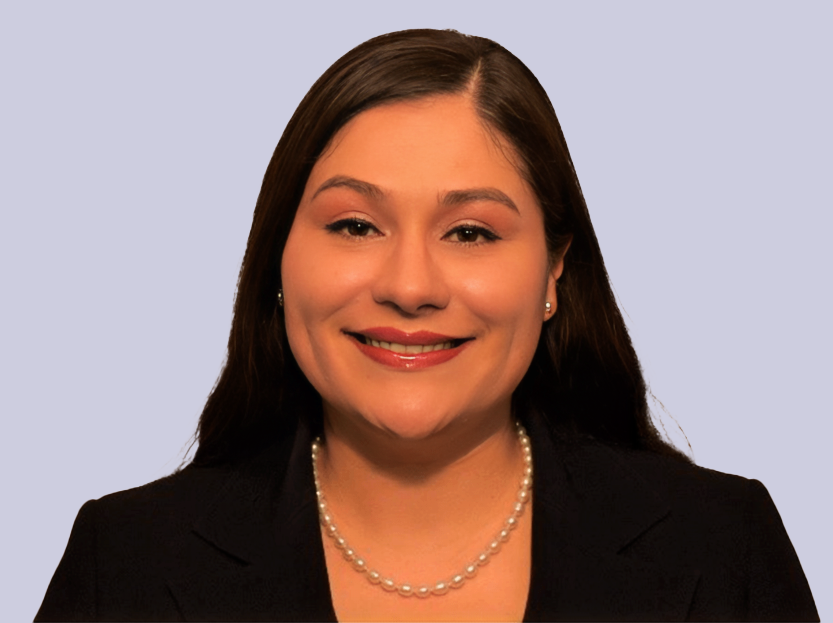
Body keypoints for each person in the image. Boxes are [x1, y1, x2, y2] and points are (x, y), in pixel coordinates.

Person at [35, 29, 817, 622]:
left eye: (471, 232)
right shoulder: (126, 562)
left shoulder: (722, 550)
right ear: (278, 261)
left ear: (552, 273)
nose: (409, 286)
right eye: (354, 226)